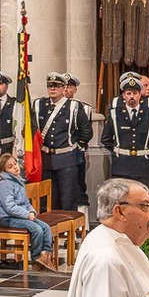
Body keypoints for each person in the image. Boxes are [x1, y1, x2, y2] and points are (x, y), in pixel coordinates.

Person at [0, 150, 56, 272]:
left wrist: (32, 211)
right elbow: (9, 207)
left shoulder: (18, 181)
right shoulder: (4, 183)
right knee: (37, 229)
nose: (15, 167)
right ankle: (36, 258)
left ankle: (46, 255)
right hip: (7, 218)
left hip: (19, 216)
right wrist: (26, 215)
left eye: (15, 164)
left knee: (45, 227)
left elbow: (25, 202)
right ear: (4, 171)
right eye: (10, 167)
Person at [34, 73, 92, 213]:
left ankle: (66, 230)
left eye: (57, 86)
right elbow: (33, 128)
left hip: (66, 157)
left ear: (63, 88)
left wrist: (75, 146)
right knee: (48, 199)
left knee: (68, 198)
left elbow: (86, 131)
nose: (52, 89)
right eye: (50, 86)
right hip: (46, 157)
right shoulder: (39, 104)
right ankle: (51, 230)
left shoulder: (74, 107)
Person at [105, 73, 149, 189]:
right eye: (128, 93)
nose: (132, 97)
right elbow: (106, 139)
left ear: (140, 94)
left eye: (135, 93)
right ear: (123, 96)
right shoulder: (115, 114)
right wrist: (116, 155)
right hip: (121, 166)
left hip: (143, 166)